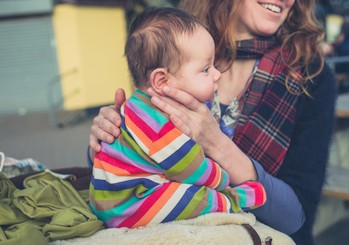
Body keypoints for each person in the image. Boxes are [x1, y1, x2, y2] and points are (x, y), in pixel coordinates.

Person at [88, 0, 337, 245]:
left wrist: (217, 144)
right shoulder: (180, 45)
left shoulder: (311, 76)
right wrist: (106, 137)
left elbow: (297, 218)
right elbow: (142, 159)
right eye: (208, 69)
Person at [89, 7, 267, 229]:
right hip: (130, 204)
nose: (217, 74)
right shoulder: (158, 121)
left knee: (180, 191)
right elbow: (189, 165)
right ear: (162, 81)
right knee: (189, 197)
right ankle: (231, 201)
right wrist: (220, 179)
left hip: (120, 198)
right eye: (205, 69)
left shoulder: (138, 106)